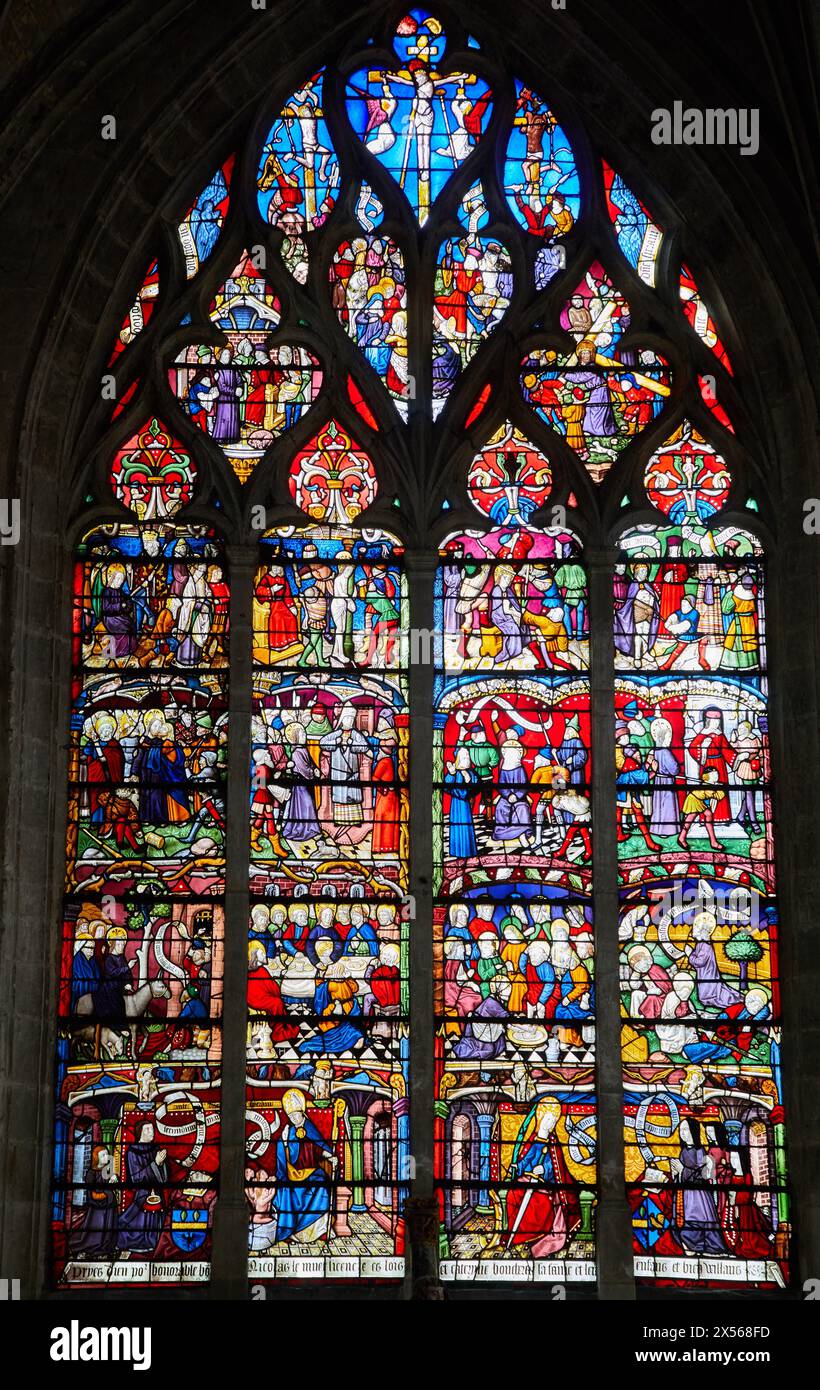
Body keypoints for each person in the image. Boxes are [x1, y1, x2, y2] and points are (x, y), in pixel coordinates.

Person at [272, 1089, 334, 1243]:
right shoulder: (288, 1132)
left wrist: (330, 1156)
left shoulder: (310, 1128)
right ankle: (290, 1231)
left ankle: (316, 1231)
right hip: (290, 1173)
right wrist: (285, 1143)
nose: (293, 1118)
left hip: (312, 1172)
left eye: (296, 1114)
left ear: (302, 1112)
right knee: (285, 1189)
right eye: (290, 1116)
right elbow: (282, 1159)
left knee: (322, 1185)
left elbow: (319, 1147)